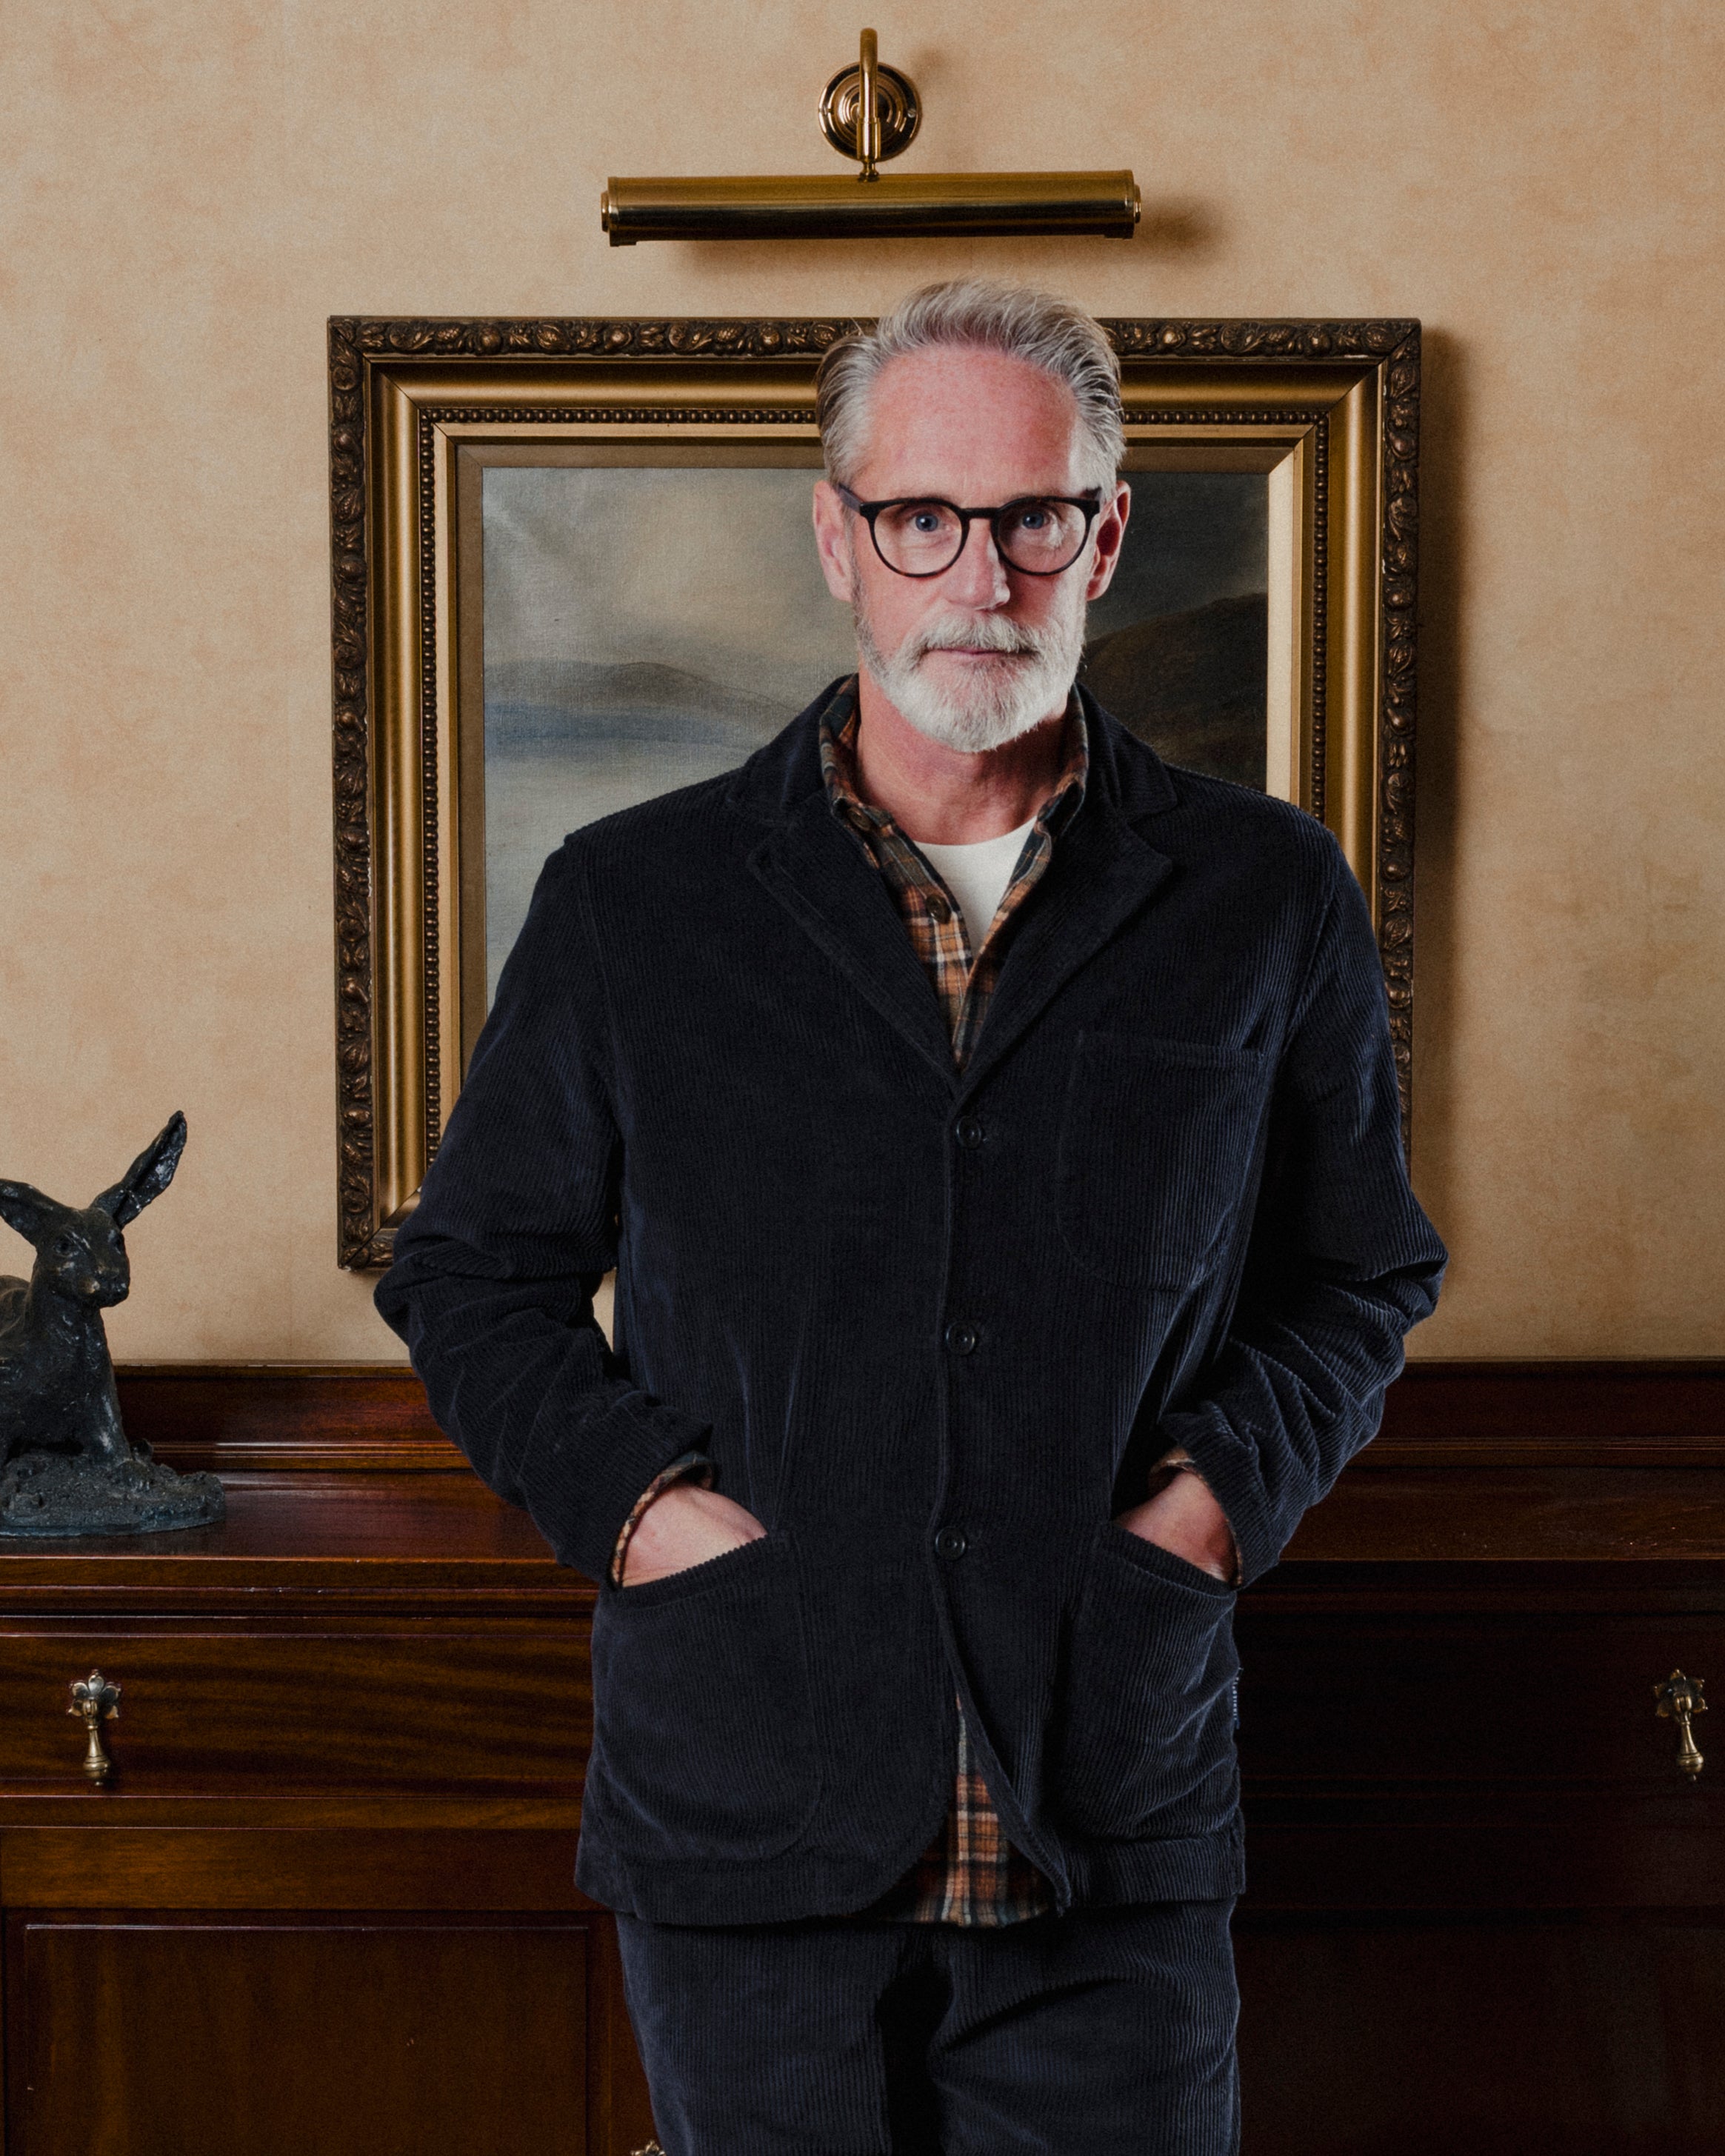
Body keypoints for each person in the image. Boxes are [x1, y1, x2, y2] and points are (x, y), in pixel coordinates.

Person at [376, 278, 1446, 2155]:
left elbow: (1361, 1273)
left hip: (1109, 1814)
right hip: (745, 1816)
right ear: (837, 541)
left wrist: (1206, 1513)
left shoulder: (1263, 895)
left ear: (1104, 533)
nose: (980, 575)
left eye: (1033, 517)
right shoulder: (636, 901)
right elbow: (469, 1271)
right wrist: (639, 1511)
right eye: (919, 519)